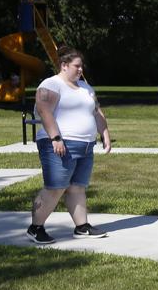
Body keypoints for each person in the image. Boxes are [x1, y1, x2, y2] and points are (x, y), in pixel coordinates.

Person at [25, 46, 112, 244]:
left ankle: (82, 227)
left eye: (82, 67)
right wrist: (56, 138)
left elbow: (96, 111)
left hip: (86, 146)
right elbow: (44, 110)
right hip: (59, 144)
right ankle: (35, 227)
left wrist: (105, 133)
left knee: (77, 187)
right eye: (77, 66)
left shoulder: (85, 88)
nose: (81, 70)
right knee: (55, 187)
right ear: (64, 66)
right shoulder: (51, 84)